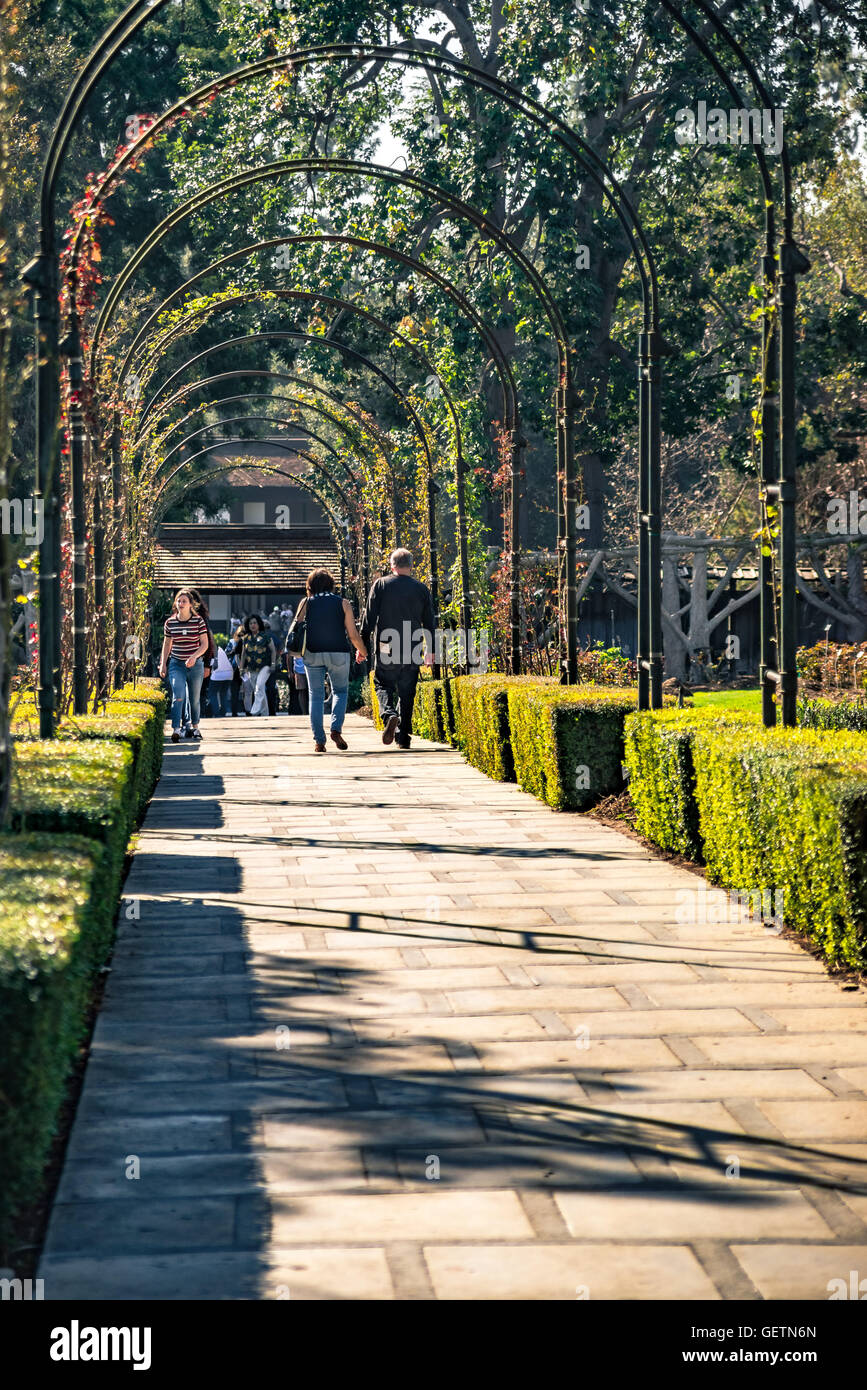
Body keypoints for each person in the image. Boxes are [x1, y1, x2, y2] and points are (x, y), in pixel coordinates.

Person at [360, 548, 435, 750]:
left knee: (383, 683)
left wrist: (362, 645)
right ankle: (403, 738)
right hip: (413, 643)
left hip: (387, 643)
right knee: (407, 691)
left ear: (392, 565)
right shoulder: (421, 588)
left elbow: (369, 618)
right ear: (411, 566)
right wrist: (431, 650)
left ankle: (389, 714)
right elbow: (429, 622)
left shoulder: (381, 585)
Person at [290, 569, 366, 751]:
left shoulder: (306, 603)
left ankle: (319, 741)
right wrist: (362, 651)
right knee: (340, 691)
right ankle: (335, 728)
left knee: (315, 696)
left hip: (312, 652)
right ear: (331, 584)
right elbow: (353, 634)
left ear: (310, 586)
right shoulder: (343, 603)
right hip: (338, 652)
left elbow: (296, 628)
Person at [159, 588, 209, 742]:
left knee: (194, 699)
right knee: (178, 695)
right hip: (176, 664)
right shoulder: (170, 623)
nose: (181, 603)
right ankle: (176, 729)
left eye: (184, 601)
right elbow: (167, 644)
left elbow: (205, 644)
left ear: (190, 605)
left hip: (195, 665)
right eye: (179, 601)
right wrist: (163, 664)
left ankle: (195, 728)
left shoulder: (198, 621)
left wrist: (194, 657)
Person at [239, 614, 276, 716]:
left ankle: (254, 710)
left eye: (255, 623)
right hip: (251, 669)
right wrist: (241, 669)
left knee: (259, 687)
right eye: (250, 623)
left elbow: (273, 651)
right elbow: (243, 655)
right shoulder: (245, 638)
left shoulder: (266, 636)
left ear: (259, 624)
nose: (253, 625)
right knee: (260, 691)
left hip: (265, 667)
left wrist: (273, 664)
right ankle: (265, 714)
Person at [225, 622, 247, 716]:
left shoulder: (248, 642)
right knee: (235, 692)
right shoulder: (232, 642)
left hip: (246, 669)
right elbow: (227, 653)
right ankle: (234, 712)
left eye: (243, 634)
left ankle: (248, 711)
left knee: (248, 691)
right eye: (239, 634)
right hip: (234, 669)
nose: (241, 636)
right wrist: (233, 651)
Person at [208, 641, 234, 716]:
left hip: (218, 675)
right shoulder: (220, 649)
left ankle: (216, 714)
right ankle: (223, 713)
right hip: (229, 674)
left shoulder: (211, 650)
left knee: (212, 694)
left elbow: (211, 664)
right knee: (223, 694)